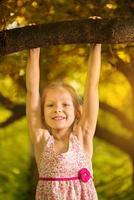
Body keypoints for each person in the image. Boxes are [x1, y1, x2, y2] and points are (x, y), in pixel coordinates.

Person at [26, 44, 101, 200]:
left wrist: (96, 45)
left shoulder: (83, 136)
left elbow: (92, 88)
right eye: (50, 105)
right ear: (42, 113)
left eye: (65, 104)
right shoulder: (41, 140)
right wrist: (33, 50)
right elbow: (32, 91)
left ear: (77, 111)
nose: (57, 109)